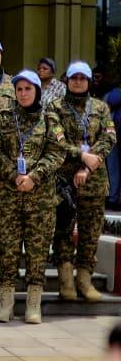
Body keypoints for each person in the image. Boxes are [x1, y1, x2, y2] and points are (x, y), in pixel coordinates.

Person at [0, 70, 66, 323]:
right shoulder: (5, 118)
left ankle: (34, 303)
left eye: (28, 89)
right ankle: (6, 302)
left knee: (37, 248)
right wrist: (13, 175)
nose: (23, 94)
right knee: (7, 247)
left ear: (37, 91)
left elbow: (57, 152)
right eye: (19, 89)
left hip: (40, 196)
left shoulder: (50, 119)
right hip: (7, 195)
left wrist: (34, 176)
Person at [50, 61, 114, 303]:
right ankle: (66, 280)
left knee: (90, 232)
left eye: (82, 78)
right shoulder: (56, 107)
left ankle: (84, 279)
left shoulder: (100, 107)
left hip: (94, 181)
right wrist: (80, 155)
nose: (78, 82)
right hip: (64, 180)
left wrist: (87, 165)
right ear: (67, 80)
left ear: (88, 81)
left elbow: (109, 137)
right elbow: (56, 139)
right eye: (73, 77)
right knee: (63, 230)